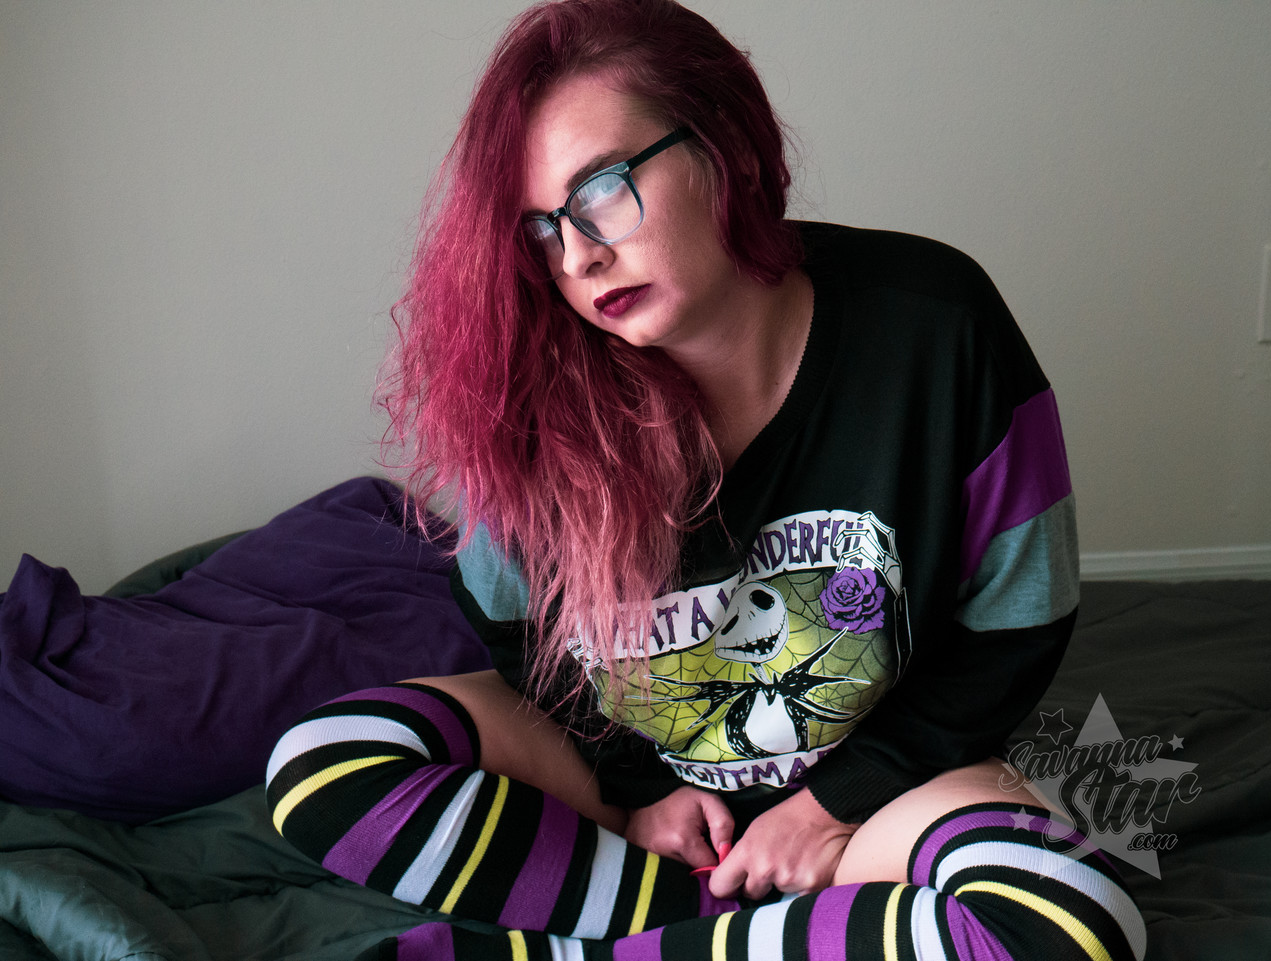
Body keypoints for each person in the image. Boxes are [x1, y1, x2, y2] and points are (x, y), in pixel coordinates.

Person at [266, 1, 1145, 958]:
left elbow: (1018, 625)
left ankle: (626, 931)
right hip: (640, 778)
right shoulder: (536, 384)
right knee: (321, 767)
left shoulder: (936, 326)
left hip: (875, 786)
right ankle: (753, 928)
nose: (579, 254)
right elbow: (515, 631)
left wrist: (827, 807)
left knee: (1069, 919)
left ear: (728, 147)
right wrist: (638, 789)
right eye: (540, 229)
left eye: (603, 188)